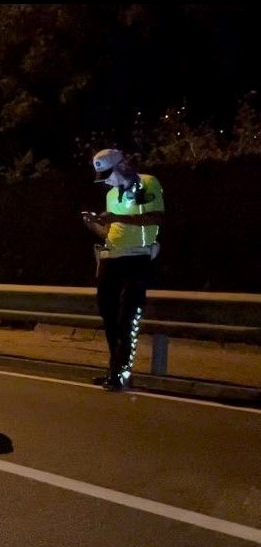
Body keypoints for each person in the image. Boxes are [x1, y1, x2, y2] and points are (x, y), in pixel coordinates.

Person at [81, 148, 164, 391]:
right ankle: (116, 369)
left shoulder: (148, 183)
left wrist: (117, 218)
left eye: (108, 174)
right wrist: (95, 225)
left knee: (128, 317)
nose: (107, 180)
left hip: (137, 258)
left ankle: (120, 373)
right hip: (110, 258)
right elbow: (111, 233)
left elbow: (156, 217)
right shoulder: (111, 195)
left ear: (122, 166)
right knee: (109, 317)